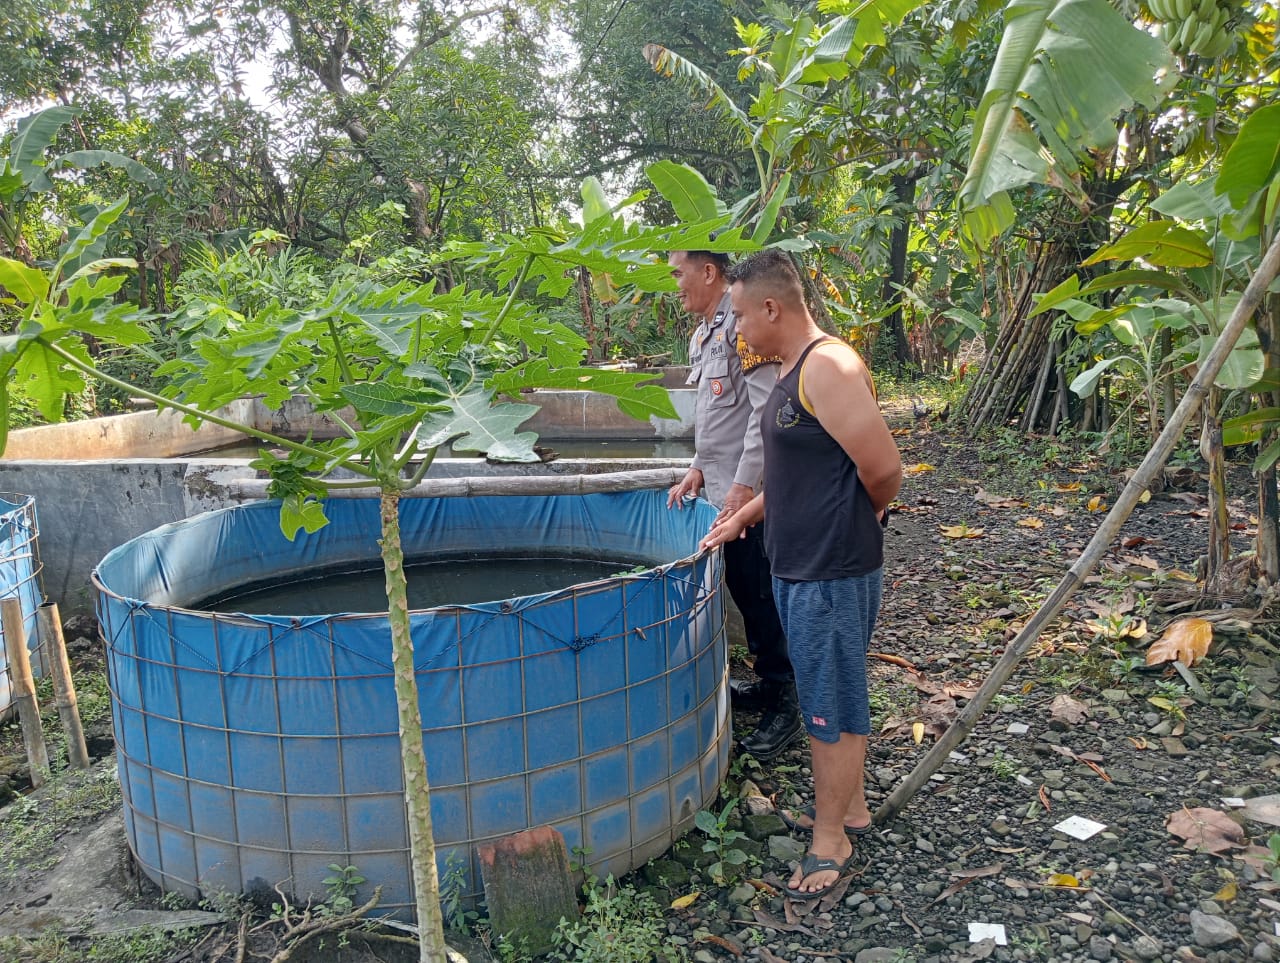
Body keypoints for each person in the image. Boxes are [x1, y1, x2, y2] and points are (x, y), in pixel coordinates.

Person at [701, 249, 902, 901]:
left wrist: (850, 525)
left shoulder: (830, 366)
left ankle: (828, 841)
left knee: (829, 703)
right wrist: (744, 517)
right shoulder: (789, 370)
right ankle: (852, 809)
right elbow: (798, 473)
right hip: (802, 564)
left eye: (739, 315)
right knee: (833, 687)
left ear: (771, 307)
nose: (736, 331)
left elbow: (884, 471)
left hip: (829, 569)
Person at [665, 249, 801, 760]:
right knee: (747, 590)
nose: (675, 285)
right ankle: (769, 685)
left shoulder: (743, 326)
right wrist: (699, 465)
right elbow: (716, 411)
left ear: (708, 271)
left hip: (751, 495)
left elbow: (765, 412)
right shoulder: (705, 332)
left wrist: (745, 487)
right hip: (721, 490)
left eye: (679, 273)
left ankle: (786, 700)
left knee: (764, 596)